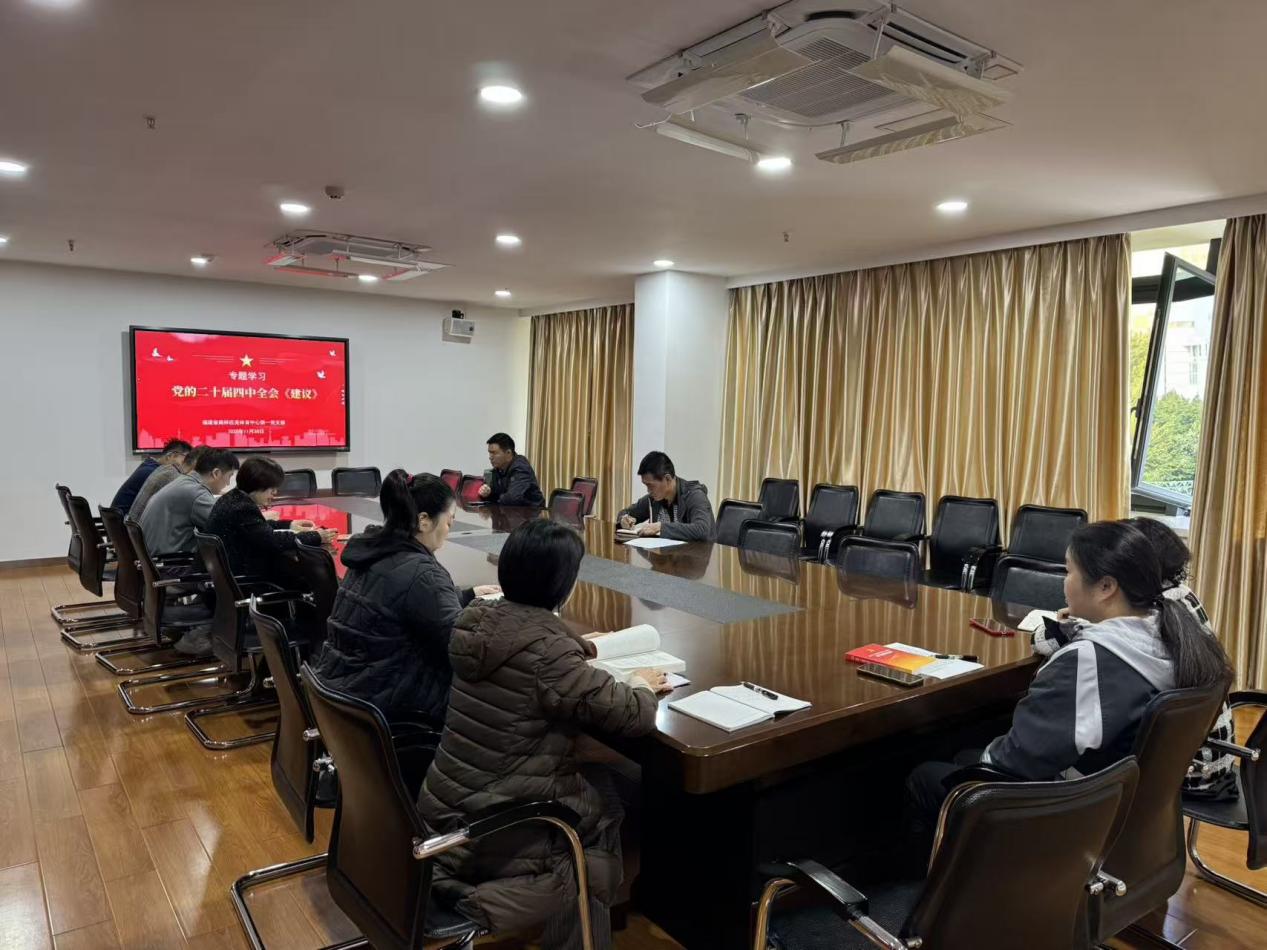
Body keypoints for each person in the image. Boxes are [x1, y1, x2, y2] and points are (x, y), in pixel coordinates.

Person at [417, 519, 669, 950]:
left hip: (446, 811)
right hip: (498, 836)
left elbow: (532, 645)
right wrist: (642, 684)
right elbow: (635, 715)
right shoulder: (549, 656)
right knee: (607, 803)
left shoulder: (475, 621)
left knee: (599, 779)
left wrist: (574, 646)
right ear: (563, 585)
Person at [904, 520, 1231, 849]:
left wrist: (980, 763)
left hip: (1072, 816)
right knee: (964, 754)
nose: (1063, 582)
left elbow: (1017, 761)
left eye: (1068, 571)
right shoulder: (1169, 633)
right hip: (1121, 808)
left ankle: (945, 879)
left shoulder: (1090, 661)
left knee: (925, 775)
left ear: (1106, 587)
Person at [313, 470, 500, 727]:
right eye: (449, 522)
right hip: (386, 709)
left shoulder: (372, 551)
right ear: (424, 521)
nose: (449, 530)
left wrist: (468, 595)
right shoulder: (422, 573)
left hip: (341, 695)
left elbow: (408, 600)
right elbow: (465, 649)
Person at [1126, 517, 1237, 801]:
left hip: (1187, 770)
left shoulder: (1152, 610)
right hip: (1214, 759)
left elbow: (1048, 639)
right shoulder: (1183, 595)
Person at [204, 456, 337, 591]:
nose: (275, 493)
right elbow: (273, 541)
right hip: (246, 581)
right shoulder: (242, 507)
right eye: (272, 489)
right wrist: (316, 536)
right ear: (257, 485)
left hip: (231, 576)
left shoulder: (233, 498)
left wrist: (290, 525)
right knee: (313, 579)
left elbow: (257, 527)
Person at [139, 447, 239, 555]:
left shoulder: (185, 482)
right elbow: (226, 524)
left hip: (153, 555)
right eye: (229, 476)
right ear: (216, 473)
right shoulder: (197, 493)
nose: (228, 483)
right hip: (169, 560)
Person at [616, 450, 716, 542]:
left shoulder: (694, 495)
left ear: (667, 479)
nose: (648, 490)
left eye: (651, 485)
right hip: (667, 554)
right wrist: (624, 520)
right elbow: (625, 513)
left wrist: (661, 527)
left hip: (696, 554)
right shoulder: (653, 498)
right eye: (646, 485)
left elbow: (702, 530)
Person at [110, 439, 192, 513]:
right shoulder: (154, 473)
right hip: (126, 521)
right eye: (185, 461)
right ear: (171, 456)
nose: (186, 467)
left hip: (120, 520)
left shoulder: (149, 466)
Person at [128, 444, 201, 521]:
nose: (187, 461)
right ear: (171, 456)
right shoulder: (167, 473)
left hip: (133, 522)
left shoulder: (152, 466)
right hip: (138, 524)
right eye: (185, 458)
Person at [478, 432, 544, 507]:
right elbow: (494, 494)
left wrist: (496, 497)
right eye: (490, 453)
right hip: (510, 511)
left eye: (494, 453)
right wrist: (487, 493)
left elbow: (512, 498)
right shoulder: (497, 469)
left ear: (508, 453)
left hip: (533, 511)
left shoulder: (521, 467)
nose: (490, 457)